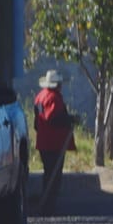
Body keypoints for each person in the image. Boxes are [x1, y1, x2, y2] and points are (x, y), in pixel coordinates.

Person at [33, 70, 75, 212]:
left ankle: (47, 202)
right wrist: (69, 120)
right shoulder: (53, 98)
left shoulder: (40, 97)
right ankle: (48, 204)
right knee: (54, 175)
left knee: (48, 173)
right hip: (53, 143)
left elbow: (36, 122)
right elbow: (53, 119)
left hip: (43, 142)